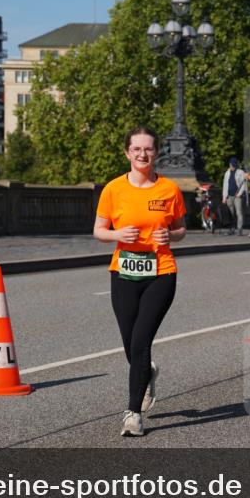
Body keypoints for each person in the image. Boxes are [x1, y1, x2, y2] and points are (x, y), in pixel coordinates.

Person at [93, 127, 187, 437]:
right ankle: (148, 372)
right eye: (136, 149)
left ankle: (132, 414)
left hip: (161, 272)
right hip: (123, 273)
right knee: (130, 343)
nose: (142, 154)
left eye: (148, 149)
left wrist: (169, 235)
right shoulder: (113, 189)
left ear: (156, 152)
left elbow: (181, 229)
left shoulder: (169, 189)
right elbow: (99, 230)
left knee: (141, 341)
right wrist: (118, 235)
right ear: (127, 153)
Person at [222, 156, 250, 235]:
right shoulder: (227, 173)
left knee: (239, 213)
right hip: (229, 196)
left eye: (234, 164)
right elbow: (225, 185)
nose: (233, 166)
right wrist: (224, 197)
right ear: (230, 164)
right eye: (232, 164)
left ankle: (239, 229)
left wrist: (239, 194)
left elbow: (244, 184)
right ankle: (232, 228)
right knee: (231, 213)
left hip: (237, 196)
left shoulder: (240, 172)